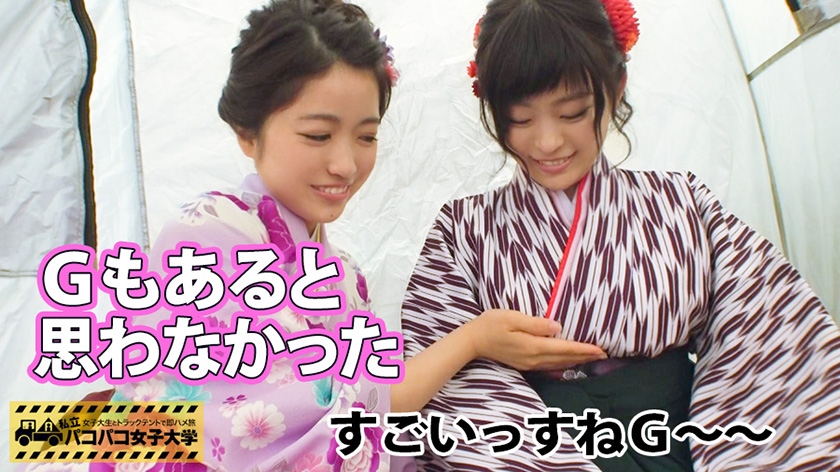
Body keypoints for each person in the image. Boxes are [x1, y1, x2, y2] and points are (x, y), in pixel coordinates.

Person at [397, 0, 840, 470]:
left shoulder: (681, 203)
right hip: (532, 450)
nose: (547, 142)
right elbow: (440, 380)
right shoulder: (461, 231)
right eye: (521, 119)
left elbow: (767, 335)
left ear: (616, 87)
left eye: (572, 113)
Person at [51, 1, 405, 471]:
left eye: (366, 137)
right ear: (248, 132)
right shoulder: (205, 238)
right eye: (319, 135)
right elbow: (277, 425)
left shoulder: (344, 273)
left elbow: (365, 406)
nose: (345, 164)